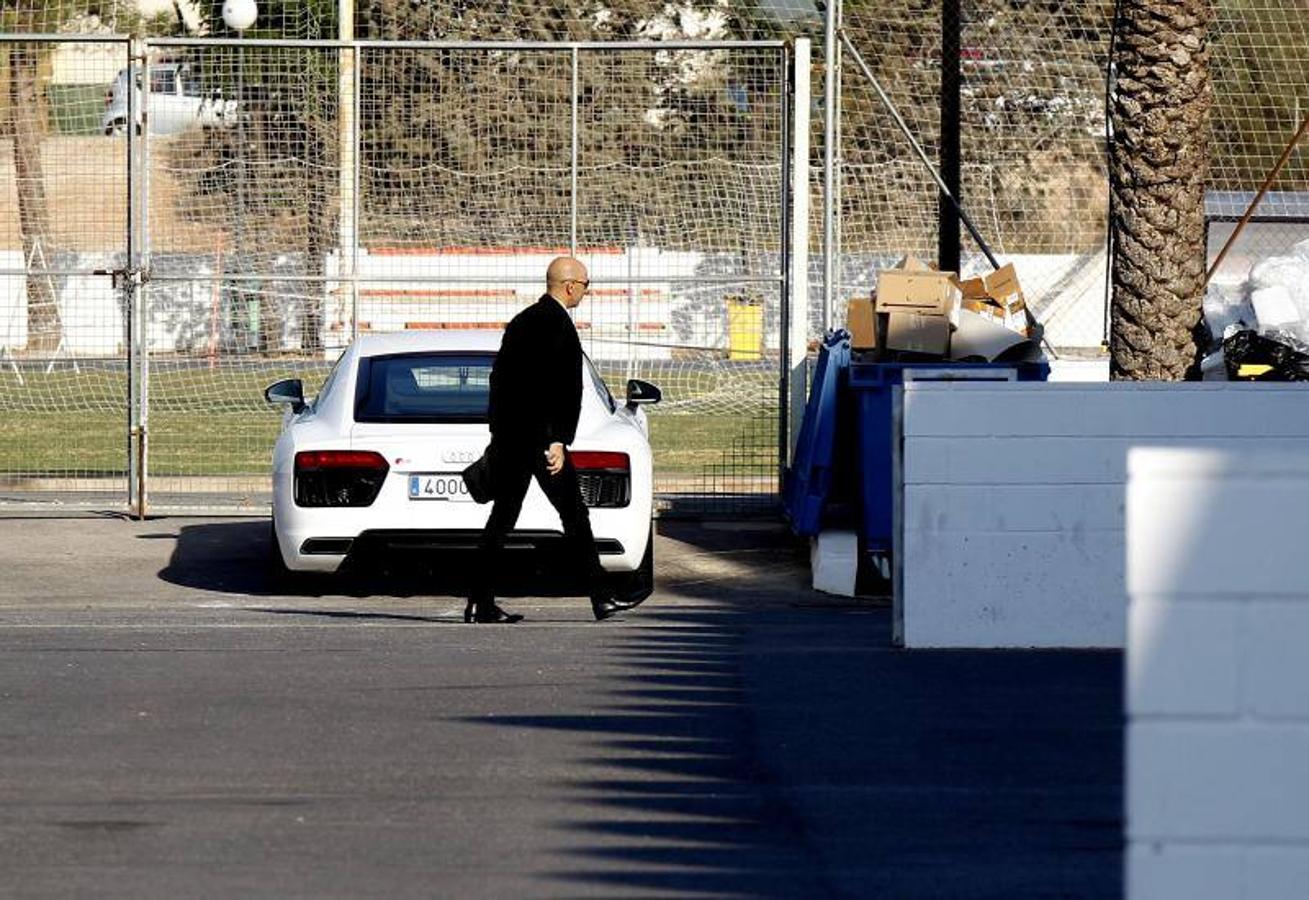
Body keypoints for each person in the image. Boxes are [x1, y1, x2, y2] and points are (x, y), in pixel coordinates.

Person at [465, 257, 628, 624]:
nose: (587, 292)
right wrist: (557, 441)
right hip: (541, 444)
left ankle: (480, 599)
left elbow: (501, 385)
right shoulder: (559, 327)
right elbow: (561, 391)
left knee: (502, 519)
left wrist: (500, 436)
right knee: (574, 515)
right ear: (570, 286)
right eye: (587, 285)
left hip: (512, 441)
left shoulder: (522, 322)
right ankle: (600, 597)